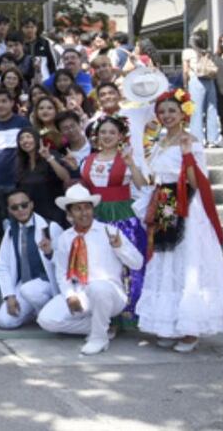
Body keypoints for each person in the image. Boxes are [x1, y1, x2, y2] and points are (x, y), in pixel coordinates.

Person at [136, 90, 223, 351]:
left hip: (186, 206)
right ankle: (169, 324)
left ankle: (190, 329)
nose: (167, 115)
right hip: (164, 204)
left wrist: (186, 155)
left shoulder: (190, 141)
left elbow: (196, 182)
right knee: (165, 262)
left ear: (184, 113)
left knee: (186, 261)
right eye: (162, 111)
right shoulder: (159, 142)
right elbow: (154, 177)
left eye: (172, 110)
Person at [36, 185, 145, 355]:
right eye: (78, 209)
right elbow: (62, 271)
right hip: (81, 293)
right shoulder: (66, 238)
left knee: (98, 287)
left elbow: (137, 263)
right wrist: (70, 295)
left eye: (87, 207)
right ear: (70, 214)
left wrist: (120, 248)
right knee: (46, 319)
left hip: (110, 293)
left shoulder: (110, 231)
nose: (84, 213)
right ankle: (104, 327)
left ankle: (98, 338)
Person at [81, 116, 149, 326]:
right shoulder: (88, 160)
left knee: (127, 265)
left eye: (112, 132)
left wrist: (131, 165)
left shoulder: (126, 158)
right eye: (103, 132)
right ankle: (104, 314)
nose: (107, 136)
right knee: (98, 264)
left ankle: (128, 311)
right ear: (97, 136)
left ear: (120, 136)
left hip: (122, 216)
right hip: (96, 216)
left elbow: (143, 186)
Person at [0, 189, 58, 330]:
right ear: (10, 210)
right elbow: (3, 265)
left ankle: (46, 315)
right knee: (4, 321)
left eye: (24, 205)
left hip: (46, 285)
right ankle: (33, 312)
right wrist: (9, 295)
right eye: (15, 207)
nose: (20, 210)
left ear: (31, 205)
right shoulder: (11, 231)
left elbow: (63, 262)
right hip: (23, 285)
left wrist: (49, 253)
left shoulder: (50, 228)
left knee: (29, 290)